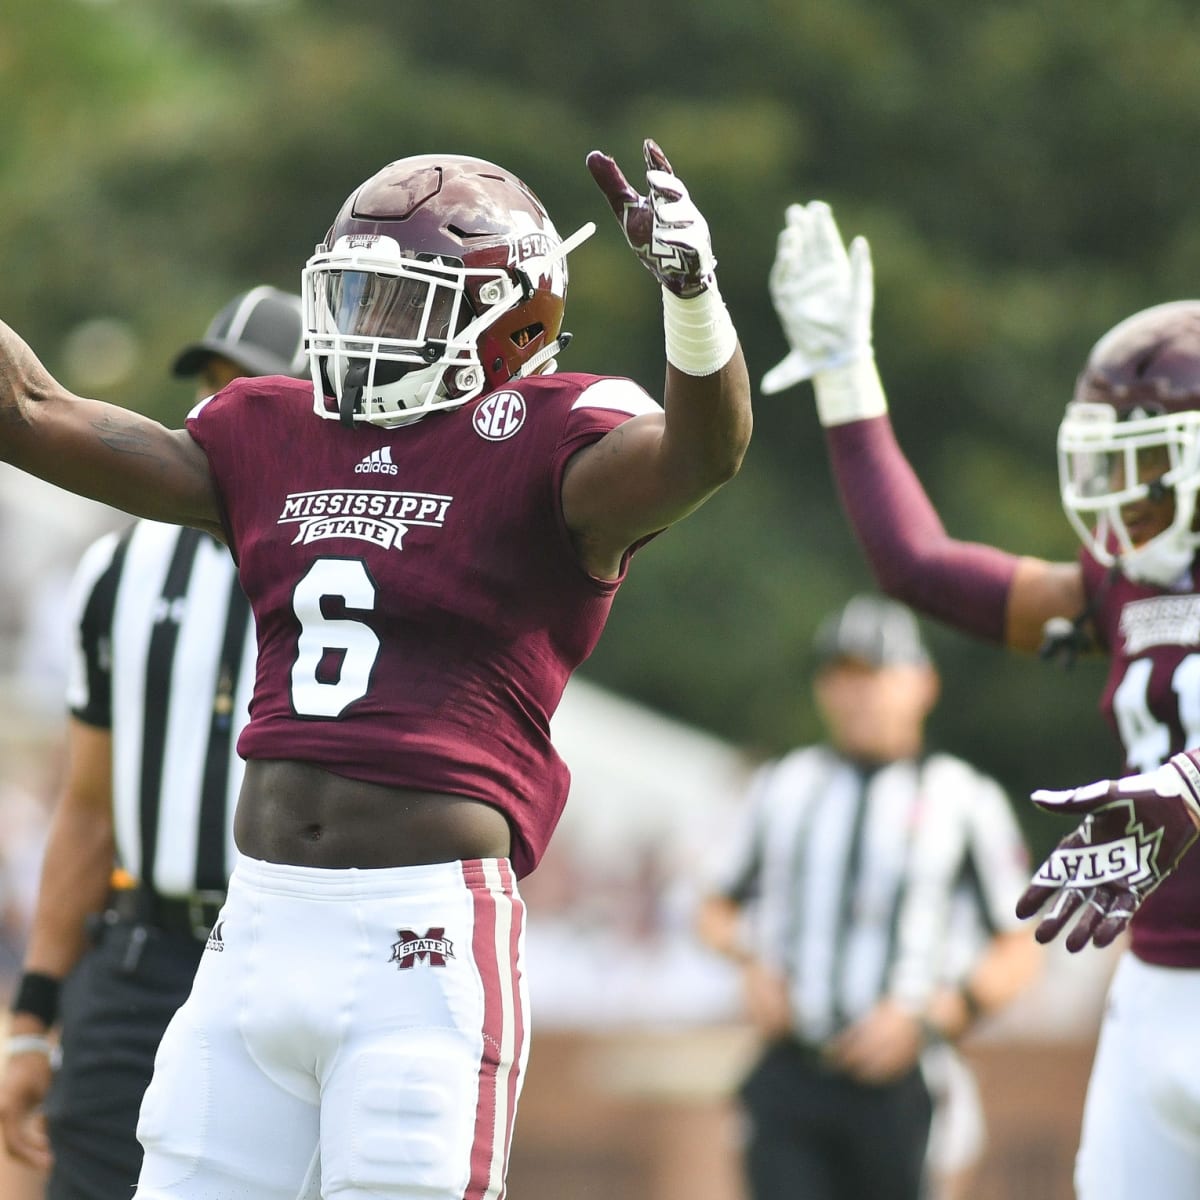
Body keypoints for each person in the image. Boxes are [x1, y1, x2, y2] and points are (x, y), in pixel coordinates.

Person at [0, 139, 751, 1199]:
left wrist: (692, 296)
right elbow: (30, 413)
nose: (364, 329)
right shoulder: (275, 430)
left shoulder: (546, 438)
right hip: (253, 927)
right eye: (352, 296)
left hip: (421, 939)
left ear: (511, 323)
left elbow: (701, 455)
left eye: (401, 304)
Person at [759, 198, 1200, 1198]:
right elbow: (916, 566)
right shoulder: (1126, 583)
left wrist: (1190, 781)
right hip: (1156, 981)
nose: (1120, 499)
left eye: (1149, 465)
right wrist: (843, 369)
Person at [0, 285, 306, 1199]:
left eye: (250, 386)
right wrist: (33, 1015)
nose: (222, 408)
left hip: (288, 955)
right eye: (212, 383)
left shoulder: (345, 551)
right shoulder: (119, 567)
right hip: (140, 960)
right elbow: (90, 808)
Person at [697, 593, 1039, 1200]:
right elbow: (715, 906)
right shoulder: (785, 784)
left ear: (922, 683)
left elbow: (1020, 946)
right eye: (843, 676)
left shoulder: (963, 797)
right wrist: (753, 964)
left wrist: (937, 1013)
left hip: (904, 1077)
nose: (858, 694)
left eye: (876, 674)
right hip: (792, 1064)